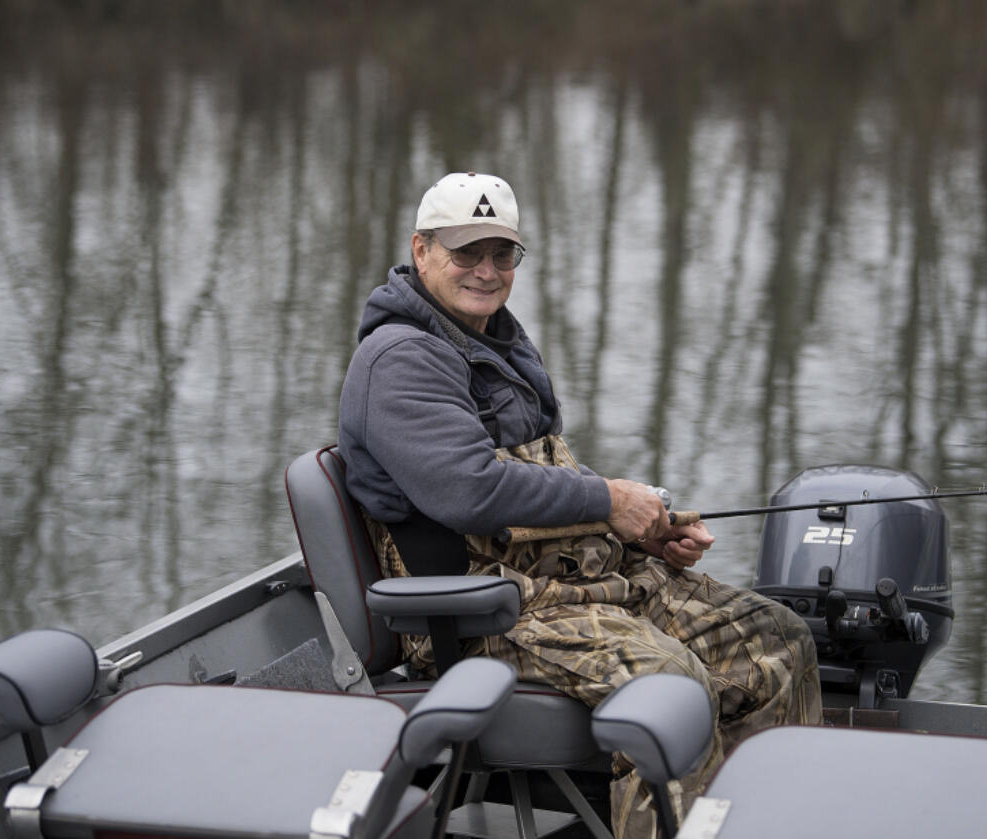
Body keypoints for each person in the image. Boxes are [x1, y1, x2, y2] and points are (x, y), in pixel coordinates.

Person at [338, 171, 822, 837]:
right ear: (421, 251)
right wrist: (608, 499)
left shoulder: (492, 340)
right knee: (670, 681)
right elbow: (472, 489)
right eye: (465, 252)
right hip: (484, 615)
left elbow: (545, 477)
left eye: (501, 254)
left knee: (778, 638)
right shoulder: (400, 360)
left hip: (571, 589)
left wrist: (640, 532)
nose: (485, 270)